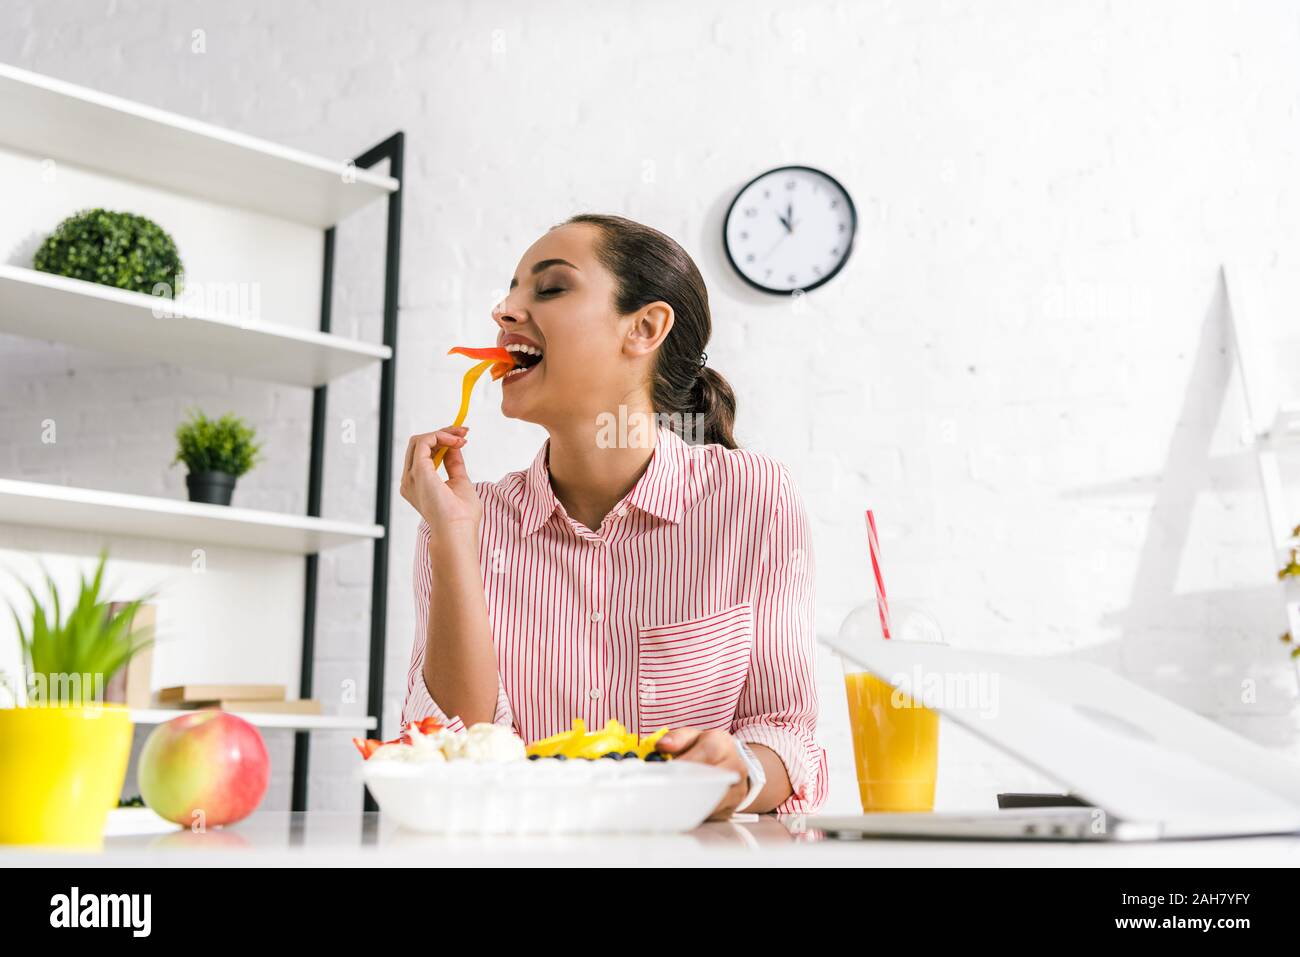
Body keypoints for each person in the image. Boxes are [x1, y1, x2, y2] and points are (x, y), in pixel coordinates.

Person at [399, 213, 826, 817]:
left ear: (644, 328)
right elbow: (456, 752)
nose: (504, 310)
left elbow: (786, 731)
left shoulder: (752, 497)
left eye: (550, 288)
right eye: (511, 291)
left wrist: (739, 772)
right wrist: (452, 538)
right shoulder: (465, 518)